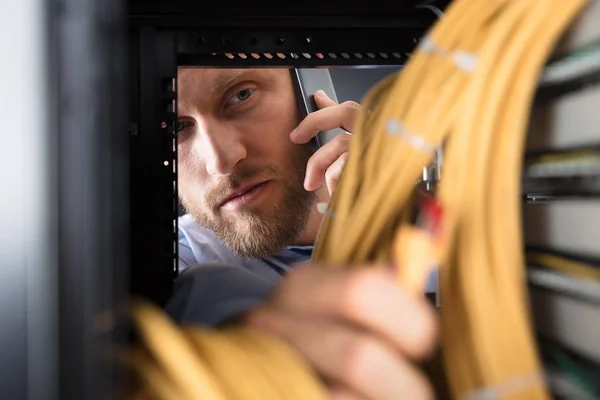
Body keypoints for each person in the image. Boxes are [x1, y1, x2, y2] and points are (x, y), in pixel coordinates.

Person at [166, 67, 438, 399]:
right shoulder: (167, 263)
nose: (220, 161)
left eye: (241, 95)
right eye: (177, 127)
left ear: (310, 88)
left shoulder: (436, 228)